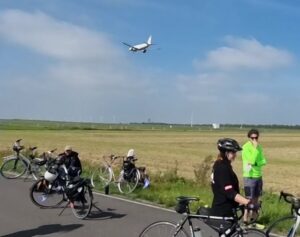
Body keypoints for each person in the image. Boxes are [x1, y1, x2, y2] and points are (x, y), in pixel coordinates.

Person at [210, 138, 253, 217]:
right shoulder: (222, 168)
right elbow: (229, 192)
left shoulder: (221, 165)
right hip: (222, 212)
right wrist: (247, 202)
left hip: (227, 209)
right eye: (233, 152)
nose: (235, 155)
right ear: (226, 153)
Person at [242, 129, 267, 228]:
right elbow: (250, 160)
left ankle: (254, 220)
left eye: (256, 138)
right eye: (252, 138)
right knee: (248, 199)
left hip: (258, 176)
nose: (254, 140)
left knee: (256, 199)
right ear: (249, 138)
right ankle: (245, 220)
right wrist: (255, 149)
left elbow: (263, 161)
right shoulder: (245, 147)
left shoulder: (259, 147)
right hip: (249, 176)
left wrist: (256, 163)